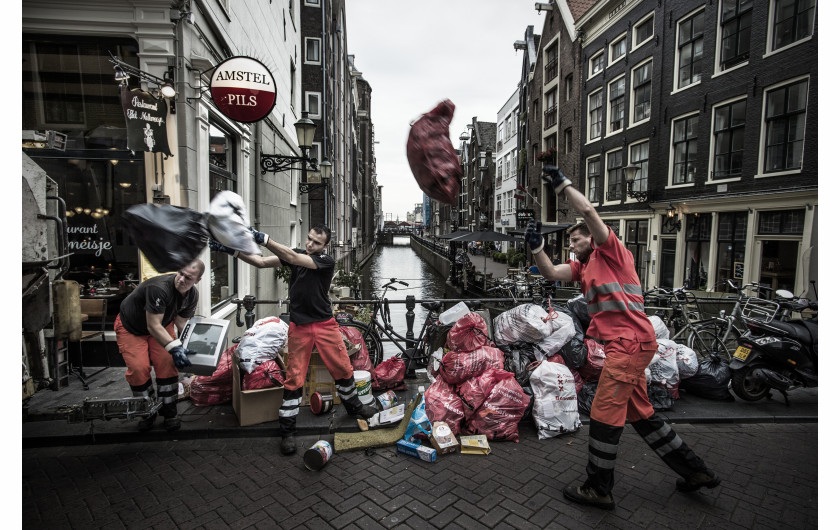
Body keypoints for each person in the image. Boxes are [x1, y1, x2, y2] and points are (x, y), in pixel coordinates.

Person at [525, 166, 719, 510]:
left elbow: (588, 211)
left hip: (628, 345)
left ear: (592, 238)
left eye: (576, 240)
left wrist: (563, 186)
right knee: (641, 414)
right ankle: (696, 471)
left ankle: (598, 488)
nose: (572, 246)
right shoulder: (584, 267)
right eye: (569, 241)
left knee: (602, 415)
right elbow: (552, 273)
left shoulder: (611, 253)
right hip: (631, 345)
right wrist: (537, 247)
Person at [210, 224, 378, 455]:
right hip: (299, 326)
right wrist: (232, 251)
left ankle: (355, 407)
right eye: (309, 239)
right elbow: (261, 262)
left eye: (316, 243)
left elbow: (291, 256)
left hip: (324, 324)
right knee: (295, 377)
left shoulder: (325, 261)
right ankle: (287, 431)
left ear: (325, 246)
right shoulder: (298, 254)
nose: (310, 244)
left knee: (342, 367)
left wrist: (264, 237)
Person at [114, 259, 204, 432]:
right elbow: (152, 326)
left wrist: (189, 346)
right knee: (139, 369)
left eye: (189, 278)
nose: (182, 279)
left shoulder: (192, 295)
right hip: (131, 327)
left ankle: (169, 411)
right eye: (181, 273)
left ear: (197, 280)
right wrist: (175, 347)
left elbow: (181, 321)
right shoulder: (159, 288)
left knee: (167, 365)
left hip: (162, 324)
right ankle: (146, 411)